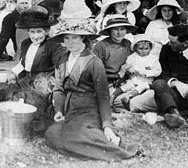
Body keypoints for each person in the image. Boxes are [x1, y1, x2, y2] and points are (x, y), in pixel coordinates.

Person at [45, 17, 141, 161]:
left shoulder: (93, 62)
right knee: (51, 134)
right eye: (66, 38)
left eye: (74, 38)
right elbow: (59, 89)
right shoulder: (63, 58)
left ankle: (113, 145)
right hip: (69, 109)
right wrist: (59, 110)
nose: (70, 42)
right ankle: (93, 139)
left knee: (72, 135)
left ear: (83, 38)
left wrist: (107, 124)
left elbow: (103, 96)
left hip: (88, 110)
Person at [3, 10, 64, 132]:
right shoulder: (26, 43)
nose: (36, 36)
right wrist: (13, 73)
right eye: (32, 32)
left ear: (46, 31)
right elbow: (22, 63)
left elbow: (59, 66)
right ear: (28, 32)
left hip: (44, 80)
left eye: (39, 31)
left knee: (31, 103)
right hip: (27, 78)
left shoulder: (53, 45)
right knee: (5, 95)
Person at [111, 36, 161, 109]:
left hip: (146, 81)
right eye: (140, 49)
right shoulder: (132, 57)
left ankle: (128, 96)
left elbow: (158, 70)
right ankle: (112, 96)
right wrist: (130, 69)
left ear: (150, 48)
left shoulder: (153, 58)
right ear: (135, 48)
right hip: (134, 79)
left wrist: (147, 73)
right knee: (127, 85)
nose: (144, 51)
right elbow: (127, 66)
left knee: (142, 87)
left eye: (146, 49)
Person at [94, 17, 136, 87]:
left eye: (122, 29)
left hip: (127, 80)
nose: (119, 33)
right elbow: (95, 70)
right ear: (110, 31)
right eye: (115, 29)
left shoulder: (127, 43)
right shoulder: (101, 46)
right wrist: (116, 76)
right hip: (107, 81)